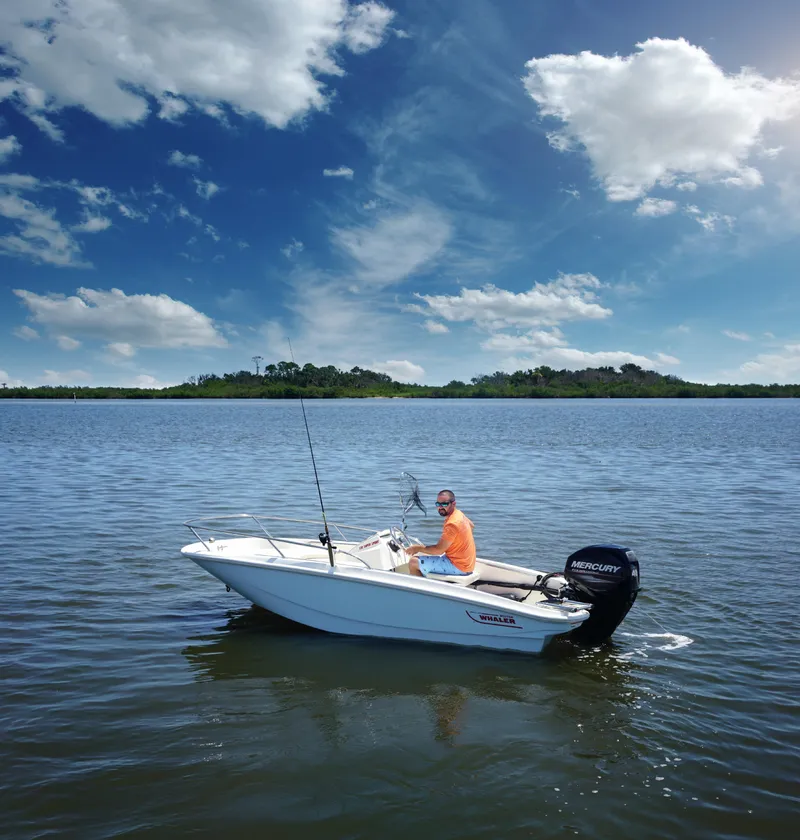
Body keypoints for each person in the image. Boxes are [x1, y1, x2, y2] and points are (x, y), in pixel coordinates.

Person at [404, 490, 476, 577]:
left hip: (458, 566)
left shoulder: (452, 524)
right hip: (467, 564)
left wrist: (417, 548)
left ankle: (419, 589)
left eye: (444, 504)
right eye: (438, 504)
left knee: (413, 562)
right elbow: (471, 525)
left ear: (453, 504)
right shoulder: (459, 514)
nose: (440, 507)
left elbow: (438, 550)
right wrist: (458, 545)